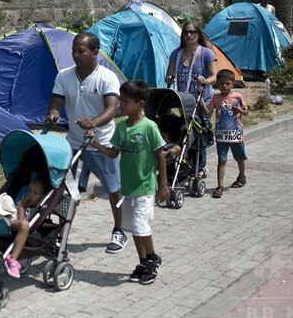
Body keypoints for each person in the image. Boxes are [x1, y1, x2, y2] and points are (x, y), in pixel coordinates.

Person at [45, 32, 125, 254]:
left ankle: (119, 230)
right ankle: (61, 235)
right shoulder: (63, 76)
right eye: (74, 50)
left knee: (113, 189)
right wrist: (52, 115)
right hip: (73, 144)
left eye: (81, 51)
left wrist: (94, 122)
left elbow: (112, 109)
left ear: (95, 53)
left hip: (102, 143)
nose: (76, 55)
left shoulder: (107, 77)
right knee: (67, 192)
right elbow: (55, 103)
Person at [88, 79, 169, 285]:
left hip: (145, 187)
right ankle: (142, 261)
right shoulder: (122, 127)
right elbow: (113, 152)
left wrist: (163, 185)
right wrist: (94, 143)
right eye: (120, 100)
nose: (121, 105)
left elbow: (160, 155)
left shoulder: (149, 127)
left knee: (141, 226)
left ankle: (152, 259)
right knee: (133, 227)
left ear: (140, 104)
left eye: (125, 101)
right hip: (128, 187)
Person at [165, 21, 217, 178]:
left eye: (192, 32)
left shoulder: (206, 53)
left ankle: (199, 167)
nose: (189, 35)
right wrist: (169, 78)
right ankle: (186, 165)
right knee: (185, 133)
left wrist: (205, 81)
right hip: (183, 101)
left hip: (202, 101)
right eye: (186, 32)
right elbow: (168, 76)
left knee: (197, 134)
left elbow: (215, 76)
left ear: (198, 34)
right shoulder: (177, 53)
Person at [199, 69, 249, 198]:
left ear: (233, 83)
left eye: (227, 83)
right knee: (222, 160)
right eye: (221, 83)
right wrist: (201, 99)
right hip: (221, 135)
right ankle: (219, 185)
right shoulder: (216, 98)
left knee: (239, 157)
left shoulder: (237, 97)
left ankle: (242, 176)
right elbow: (207, 111)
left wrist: (239, 110)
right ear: (217, 84)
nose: (224, 86)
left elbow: (246, 112)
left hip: (235, 134)